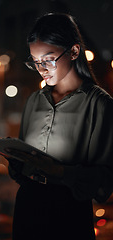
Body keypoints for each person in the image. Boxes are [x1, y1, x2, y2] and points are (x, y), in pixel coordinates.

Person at [6, 13, 113, 240]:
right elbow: (23, 169)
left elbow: (104, 183)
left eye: (48, 59)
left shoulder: (98, 104)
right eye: (35, 62)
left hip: (68, 214)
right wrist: (16, 159)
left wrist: (59, 171)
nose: (41, 69)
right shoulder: (34, 101)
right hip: (27, 207)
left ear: (74, 52)